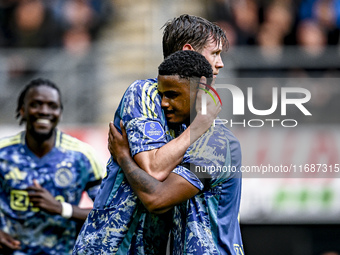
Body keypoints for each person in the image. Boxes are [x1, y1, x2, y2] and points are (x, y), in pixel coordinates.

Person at [73, 14, 230, 254]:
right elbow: (154, 169)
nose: (220, 64)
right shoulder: (144, 93)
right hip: (109, 248)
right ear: (190, 51)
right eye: (215, 54)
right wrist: (200, 126)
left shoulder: (199, 118)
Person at [109, 50, 243, 254]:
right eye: (162, 95)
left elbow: (157, 200)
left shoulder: (215, 145)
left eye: (172, 95)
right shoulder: (184, 138)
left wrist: (124, 157)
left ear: (201, 90)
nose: (164, 103)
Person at [0, 78, 103, 254]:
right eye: (36, 104)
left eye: (52, 106)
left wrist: (61, 208)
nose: (44, 111)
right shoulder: (3, 153)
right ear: (22, 110)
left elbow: (110, 213)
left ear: (60, 113)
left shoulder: (82, 157)